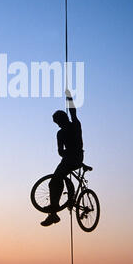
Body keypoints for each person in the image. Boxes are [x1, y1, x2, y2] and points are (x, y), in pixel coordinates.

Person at [41, 89, 84, 227]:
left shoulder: (75, 125)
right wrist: (64, 154)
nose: (58, 124)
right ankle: (53, 213)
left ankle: (60, 206)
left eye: (58, 121)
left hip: (76, 157)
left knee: (57, 179)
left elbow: (73, 112)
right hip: (67, 159)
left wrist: (69, 98)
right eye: (56, 123)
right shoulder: (59, 134)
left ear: (62, 119)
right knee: (54, 182)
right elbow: (60, 151)